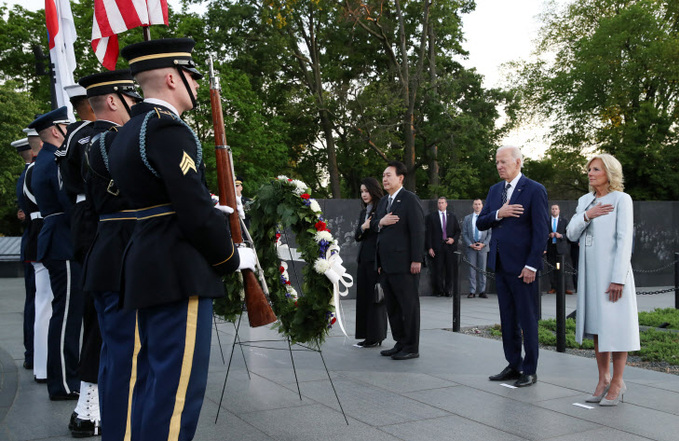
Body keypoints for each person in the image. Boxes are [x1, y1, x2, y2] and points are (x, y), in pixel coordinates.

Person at [107, 38, 254, 440]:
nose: (194, 82)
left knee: (153, 384)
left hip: (147, 261)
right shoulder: (169, 129)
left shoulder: (128, 131)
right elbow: (189, 212)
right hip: (177, 267)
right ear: (173, 78)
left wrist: (207, 204)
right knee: (176, 392)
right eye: (191, 75)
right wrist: (230, 257)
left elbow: (164, 196)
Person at [64, 69, 142, 438]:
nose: (137, 106)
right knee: (105, 323)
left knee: (103, 321)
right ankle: (91, 407)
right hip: (104, 225)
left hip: (92, 223)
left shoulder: (83, 135)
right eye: (132, 99)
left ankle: (90, 405)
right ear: (110, 100)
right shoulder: (101, 137)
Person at [566, 153, 639, 406]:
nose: (590, 173)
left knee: (616, 327)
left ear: (609, 172)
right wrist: (589, 214)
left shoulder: (622, 199)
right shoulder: (585, 200)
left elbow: (624, 240)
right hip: (590, 274)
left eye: (596, 169)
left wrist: (618, 278)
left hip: (612, 275)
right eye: (589, 169)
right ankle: (603, 378)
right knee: (598, 328)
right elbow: (571, 234)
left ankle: (618, 381)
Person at [477, 146, 549, 387]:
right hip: (500, 264)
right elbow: (481, 220)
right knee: (507, 319)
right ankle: (513, 364)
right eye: (497, 162)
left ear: (518, 162)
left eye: (504, 162)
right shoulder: (495, 190)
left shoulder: (535, 190)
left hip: (523, 268)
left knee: (527, 319)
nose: (499, 166)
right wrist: (500, 212)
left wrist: (532, 265)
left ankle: (530, 370)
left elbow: (541, 232)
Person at [28, 106, 84, 400]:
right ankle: (63, 382)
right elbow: (68, 198)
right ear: (55, 131)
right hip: (62, 239)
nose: (68, 132)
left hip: (59, 236)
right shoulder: (53, 161)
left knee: (67, 312)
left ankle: (67, 377)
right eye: (65, 128)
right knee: (65, 315)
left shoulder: (47, 159)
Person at [371, 160, 425, 360]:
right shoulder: (385, 201)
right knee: (393, 307)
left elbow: (418, 230)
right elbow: (376, 225)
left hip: (405, 264)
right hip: (385, 265)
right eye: (383, 176)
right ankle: (400, 342)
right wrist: (380, 222)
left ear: (400, 178)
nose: (384, 179)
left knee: (408, 306)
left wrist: (416, 259)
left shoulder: (409, 199)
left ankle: (411, 347)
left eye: (388, 175)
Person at [21, 129, 50, 385]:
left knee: (43, 303)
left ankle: (41, 364)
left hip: (37, 235)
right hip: (43, 233)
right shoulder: (37, 169)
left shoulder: (30, 170)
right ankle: (44, 365)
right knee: (46, 304)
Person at [353, 177, 387, 348]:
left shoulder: (382, 210)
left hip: (376, 260)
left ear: (373, 190)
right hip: (364, 259)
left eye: (366, 191)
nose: (364, 195)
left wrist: (382, 262)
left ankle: (376, 335)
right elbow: (357, 236)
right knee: (365, 297)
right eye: (362, 192)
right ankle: (367, 335)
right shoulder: (363, 212)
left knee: (376, 298)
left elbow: (383, 236)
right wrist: (363, 227)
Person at [12, 136, 36, 370]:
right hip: (36, 241)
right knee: (37, 301)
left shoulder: (25, 174)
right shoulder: (30, 173)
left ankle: (32, 353)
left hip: (32, 241)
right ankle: (32, 353)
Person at [425, 197, 461, 297]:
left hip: (450, 247)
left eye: (442, 203)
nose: (440, 204)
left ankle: (448, 290)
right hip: (437, 247)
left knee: (450, 269)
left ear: (446, 204)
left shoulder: (452, 216)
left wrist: (453, 239)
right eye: (439, 203)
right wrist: (429, 247)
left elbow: (457, 231)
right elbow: (428, 233)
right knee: (438, 269)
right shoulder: (432, 217)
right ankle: (439, 290)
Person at [461, 199, 491, 298]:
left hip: (483, 247)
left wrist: (484, 244)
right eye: (475, 204)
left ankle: (482, 291)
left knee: (482, 269)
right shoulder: (467, 218)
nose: (477, 206)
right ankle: (472, 291)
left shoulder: (486, 218)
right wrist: (470, 244)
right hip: (471, 247)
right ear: (473, 206)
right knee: (471, 270)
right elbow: (464, 233)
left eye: (479, 204)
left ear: (482, 206)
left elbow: (490, 233)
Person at [545, 204, 572, 294]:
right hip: (551, 247)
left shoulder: (564, 221)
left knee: (563, 267)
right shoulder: (547, 221)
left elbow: (569, 234)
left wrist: (560, 236)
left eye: (556, 209)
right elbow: (543, 233)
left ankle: (565, 287)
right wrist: (549, 235)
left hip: (561, 247)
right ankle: (553, 287)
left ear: (559, 210)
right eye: (552, 209)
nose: (554, 210)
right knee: (551, 268)